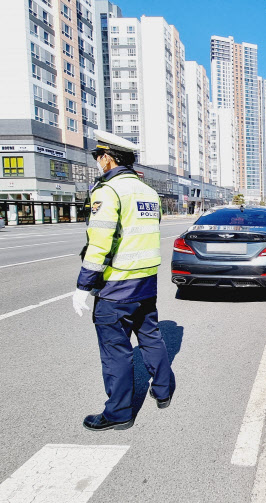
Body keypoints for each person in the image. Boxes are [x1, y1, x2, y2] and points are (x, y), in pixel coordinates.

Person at [73, 130, 175, 431]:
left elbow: (100, 243)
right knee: (151, 337)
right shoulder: (148, 192)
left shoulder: (108, 191)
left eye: (97, 157)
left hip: (116, 287)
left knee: (116, 352)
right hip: (146, 282)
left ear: (107, 158)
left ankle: (118, 413)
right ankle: (163, 391)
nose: (97, 163)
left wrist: (83, 285)